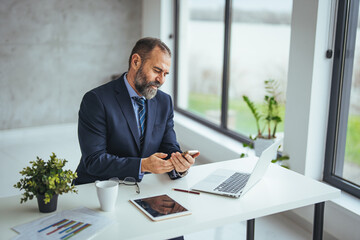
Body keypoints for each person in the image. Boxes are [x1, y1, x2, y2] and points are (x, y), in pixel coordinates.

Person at [74, 37, 200, 185]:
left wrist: (179, 165)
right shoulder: (96, 100)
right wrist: (142, 165)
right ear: (135, 62)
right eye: (157, 70)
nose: (161, 80)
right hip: (98, 188)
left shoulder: (164, 102)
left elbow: (169, 148)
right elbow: (94, 160)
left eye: (165, 74)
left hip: (141, 187)